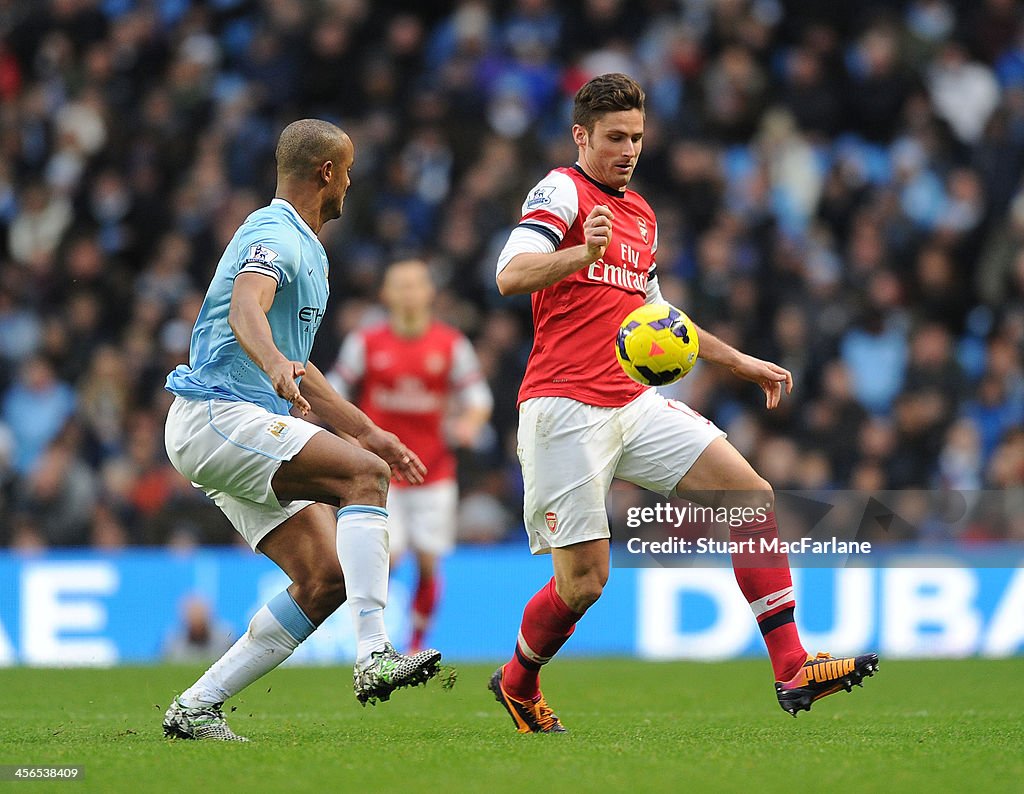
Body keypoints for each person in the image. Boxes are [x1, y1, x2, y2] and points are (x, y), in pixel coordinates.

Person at [489, 74, 878, 733]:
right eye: (615, 137)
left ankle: (792, 669)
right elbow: (509, 273)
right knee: (583, 583)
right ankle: (518, 681)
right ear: (581, 135)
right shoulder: (561, 191)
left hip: (631, 400)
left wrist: (739, 362)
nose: (628, 149)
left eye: (637, 137)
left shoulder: (641, 215)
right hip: (563, 406)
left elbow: (660, 317)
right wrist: (583, 251)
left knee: (749, 494)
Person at [162, 119, 442, 742]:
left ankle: (196, 707)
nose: (350, 181)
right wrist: (271, 369)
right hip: (216, 415)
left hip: (233, 423)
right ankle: (375, 655)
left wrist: (368, 430)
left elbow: (301, 364)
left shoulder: (309, 248)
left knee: (325, 579)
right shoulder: (272, 233)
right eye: (347, 169)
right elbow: (245, 311)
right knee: (364, 480)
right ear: (326, 173)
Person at [330, 259, 493, 651]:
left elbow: (479, 399)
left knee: (427, 561)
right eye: (399, 285)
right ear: (385, 294)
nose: (407, 292)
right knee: (389, 557)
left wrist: (468, 424)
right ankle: (374, 643)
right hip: (380, 475)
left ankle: (417, 643)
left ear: (429, 292)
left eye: (415, 284)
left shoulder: (450, 344)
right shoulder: (366, 342)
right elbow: (334, 394)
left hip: (433, 471)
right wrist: (349, 441)